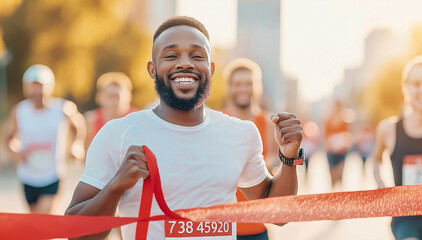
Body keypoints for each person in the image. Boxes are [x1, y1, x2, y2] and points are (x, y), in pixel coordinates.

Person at [65, 16, 304, 240]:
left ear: (210, 68)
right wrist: (116, 185)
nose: (185, 63)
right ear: (152, 69)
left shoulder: (241, 133)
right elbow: (75, 232)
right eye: (171, 56)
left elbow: (277, 215)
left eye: (197, 56)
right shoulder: (118, 133)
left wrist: (289, 156)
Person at [1, 64, 86, 214]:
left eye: (40, 86)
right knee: (37, 223)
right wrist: (15, 153)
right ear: (25, 88)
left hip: (52, 176)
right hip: (27, 177)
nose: (36, 91)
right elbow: (7, 138)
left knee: (43, 217)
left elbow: (78, 125)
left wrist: (76, 145)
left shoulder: (62, 108)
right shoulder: (19, 111)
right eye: (32, 86)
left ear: (49, 87)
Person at [373, 55, 422, 240]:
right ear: (406, 87)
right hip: (405, 218)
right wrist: (381, 187)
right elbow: (376, 161)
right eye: (417, 83)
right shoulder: (388, 130)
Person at [222, 58, 277, 240]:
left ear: (257, 87)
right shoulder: (217, 122)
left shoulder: (269, 123)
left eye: (249, 83)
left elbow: (274, 168)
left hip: (256, 226)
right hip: (221, 227)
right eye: (238, 83)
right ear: (229, 87)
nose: (243, 89)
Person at [84, 72, 139, 150]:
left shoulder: (138, 120)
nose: (114, 101)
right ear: (99, 97)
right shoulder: (91, 120)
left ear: (128, 97)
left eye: (117, 96)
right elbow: (85, 153)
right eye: (110, 96)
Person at [323, 100, 353, 188]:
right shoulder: (329, 120)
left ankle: (339, 193)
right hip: (331, 150)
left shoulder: (345, 120)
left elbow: (348, 133)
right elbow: (325, 135)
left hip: (341, 150)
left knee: (340, 174)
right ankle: (333, 193)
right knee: (332, 174)